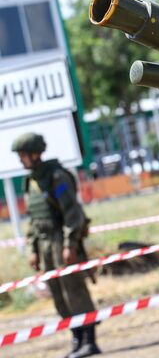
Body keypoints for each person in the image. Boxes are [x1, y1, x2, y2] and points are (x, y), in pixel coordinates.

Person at [11, 133, 101, 358]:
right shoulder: (31, 180)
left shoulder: (56, 176)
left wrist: (70, 245)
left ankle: (89, 341)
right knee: (58, 294)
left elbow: (73, 214)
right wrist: (33, 250)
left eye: (23, 155)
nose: (21, 160)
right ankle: (77, 338)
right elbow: (34, 219)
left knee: (74, 290)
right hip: (45, 245)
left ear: (34, 154)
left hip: (62, 241)